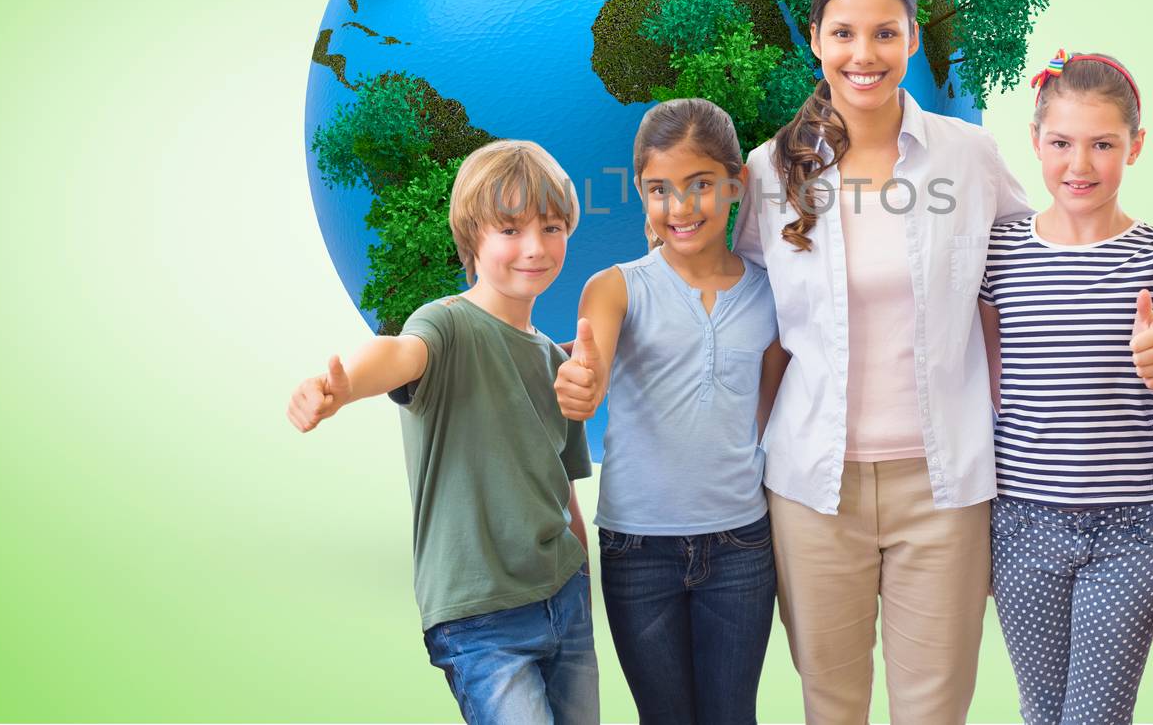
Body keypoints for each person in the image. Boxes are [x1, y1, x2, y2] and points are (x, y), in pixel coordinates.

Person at [732, 0, 1033, 725]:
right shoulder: (770, 170)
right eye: (844, 33)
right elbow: (749, 315)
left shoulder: (969, 157)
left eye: (885, 33)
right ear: (815, 39)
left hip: (945, 486)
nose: (863, 55)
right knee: (831, 705)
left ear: (909, 41)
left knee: (933, 708)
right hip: (811, 485)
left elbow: (1027, 282)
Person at [285, 140, 597, 725]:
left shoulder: (558, 362)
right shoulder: (446, 324)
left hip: (564, 599)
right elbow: (398, 354)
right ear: (472, 239)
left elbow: (562, 485)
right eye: (510, 229)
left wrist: (580, 573)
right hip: (480, 619)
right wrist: (343, 386)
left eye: (551, 227)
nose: (535, 247)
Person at [977, 49, 1153, 725]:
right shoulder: (1001, 248)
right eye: (1062, 143)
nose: (1080, 165)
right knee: (1044, 712)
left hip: (1129, 530)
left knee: (1095, 717)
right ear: (1035, 142)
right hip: (1021, 521)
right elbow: (977, 372)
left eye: (1103, 144)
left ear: (1135, 146)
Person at [554, 98, 787, 725]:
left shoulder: (771, 292)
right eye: (661, 190)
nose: (680, 207)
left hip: (742, 542)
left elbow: (770, 410)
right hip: (637, 547)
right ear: (641, 192)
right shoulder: (615, 286)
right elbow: (592, 364)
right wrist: (583, 382)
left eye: (700, 185)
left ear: (736, 183)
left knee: (732, 714)